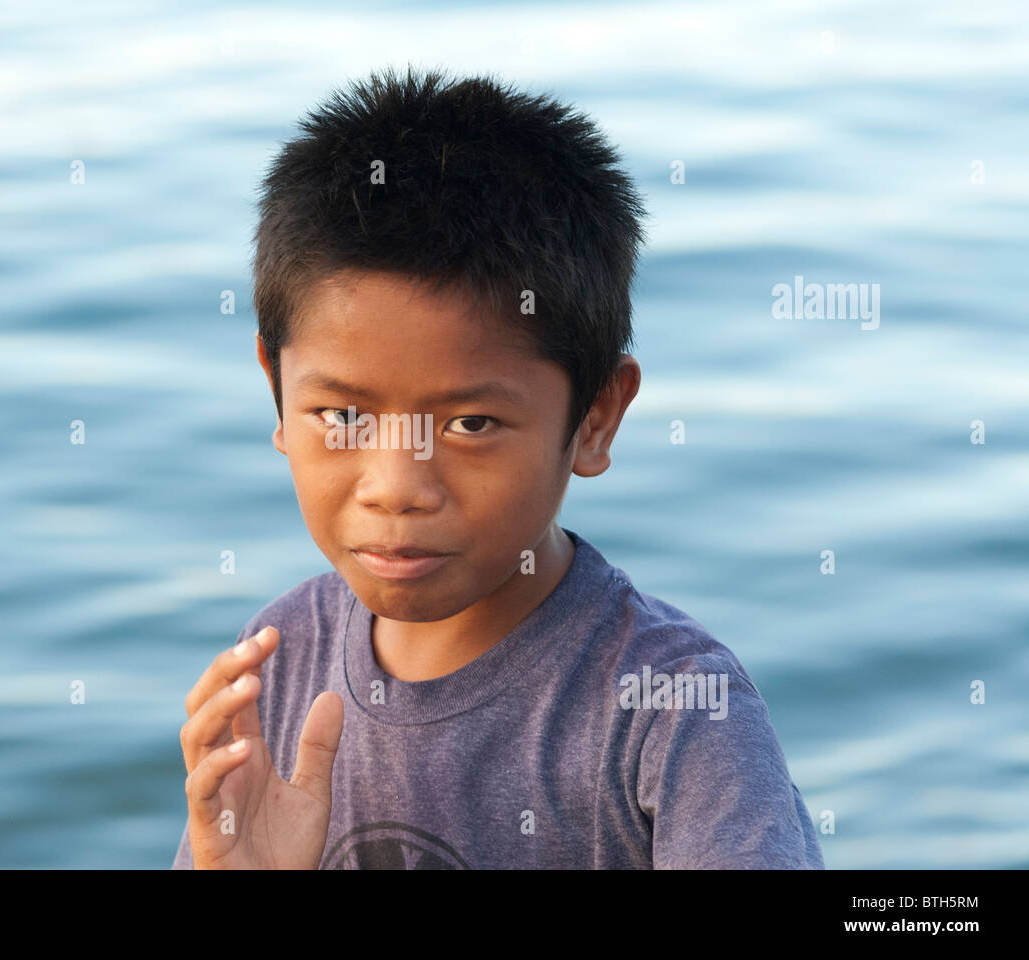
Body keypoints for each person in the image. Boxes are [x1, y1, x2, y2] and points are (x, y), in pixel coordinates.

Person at [172, 65, 823, 869]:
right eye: (342, 416)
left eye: (472, 423)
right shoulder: (277, 660)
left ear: (595, 418)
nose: (396, 488)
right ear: (275, 390)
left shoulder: (675, 713)